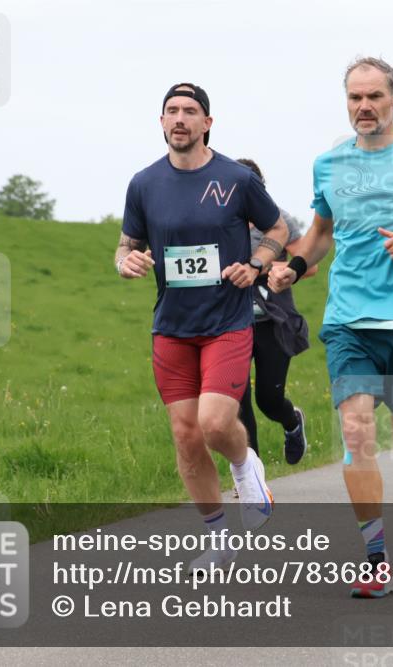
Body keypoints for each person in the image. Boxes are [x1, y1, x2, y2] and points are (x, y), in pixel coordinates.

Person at [269, 57, 393, 598]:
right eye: (355, 97)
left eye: (374, 96)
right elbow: (319, 234)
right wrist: (294, 266)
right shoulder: (328, 164)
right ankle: (376, 559)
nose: (364, 107)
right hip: (349, 320)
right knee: (356, 436)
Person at [115, 83, 289, 571]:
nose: (180, 119)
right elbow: (125, 243)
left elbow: (278, 229)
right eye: (171, 111)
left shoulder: (235, 178)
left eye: (190, 111)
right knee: (185, 436)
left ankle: (244, 464)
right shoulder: (144, 183)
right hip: (171, 327)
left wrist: (255, 265)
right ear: (161, 121)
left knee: (214, 424)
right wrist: (125, 263)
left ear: (207, 123)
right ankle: (218, 537)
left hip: (226, 322)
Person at [235, 158, 316, 465]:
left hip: (271, 322)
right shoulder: (220, 222)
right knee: (238, 402)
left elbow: (310, 264)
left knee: (267, 400)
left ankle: (292, 422)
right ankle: (251, 478)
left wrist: (265, 266)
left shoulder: (279, 220)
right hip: (231, 323)